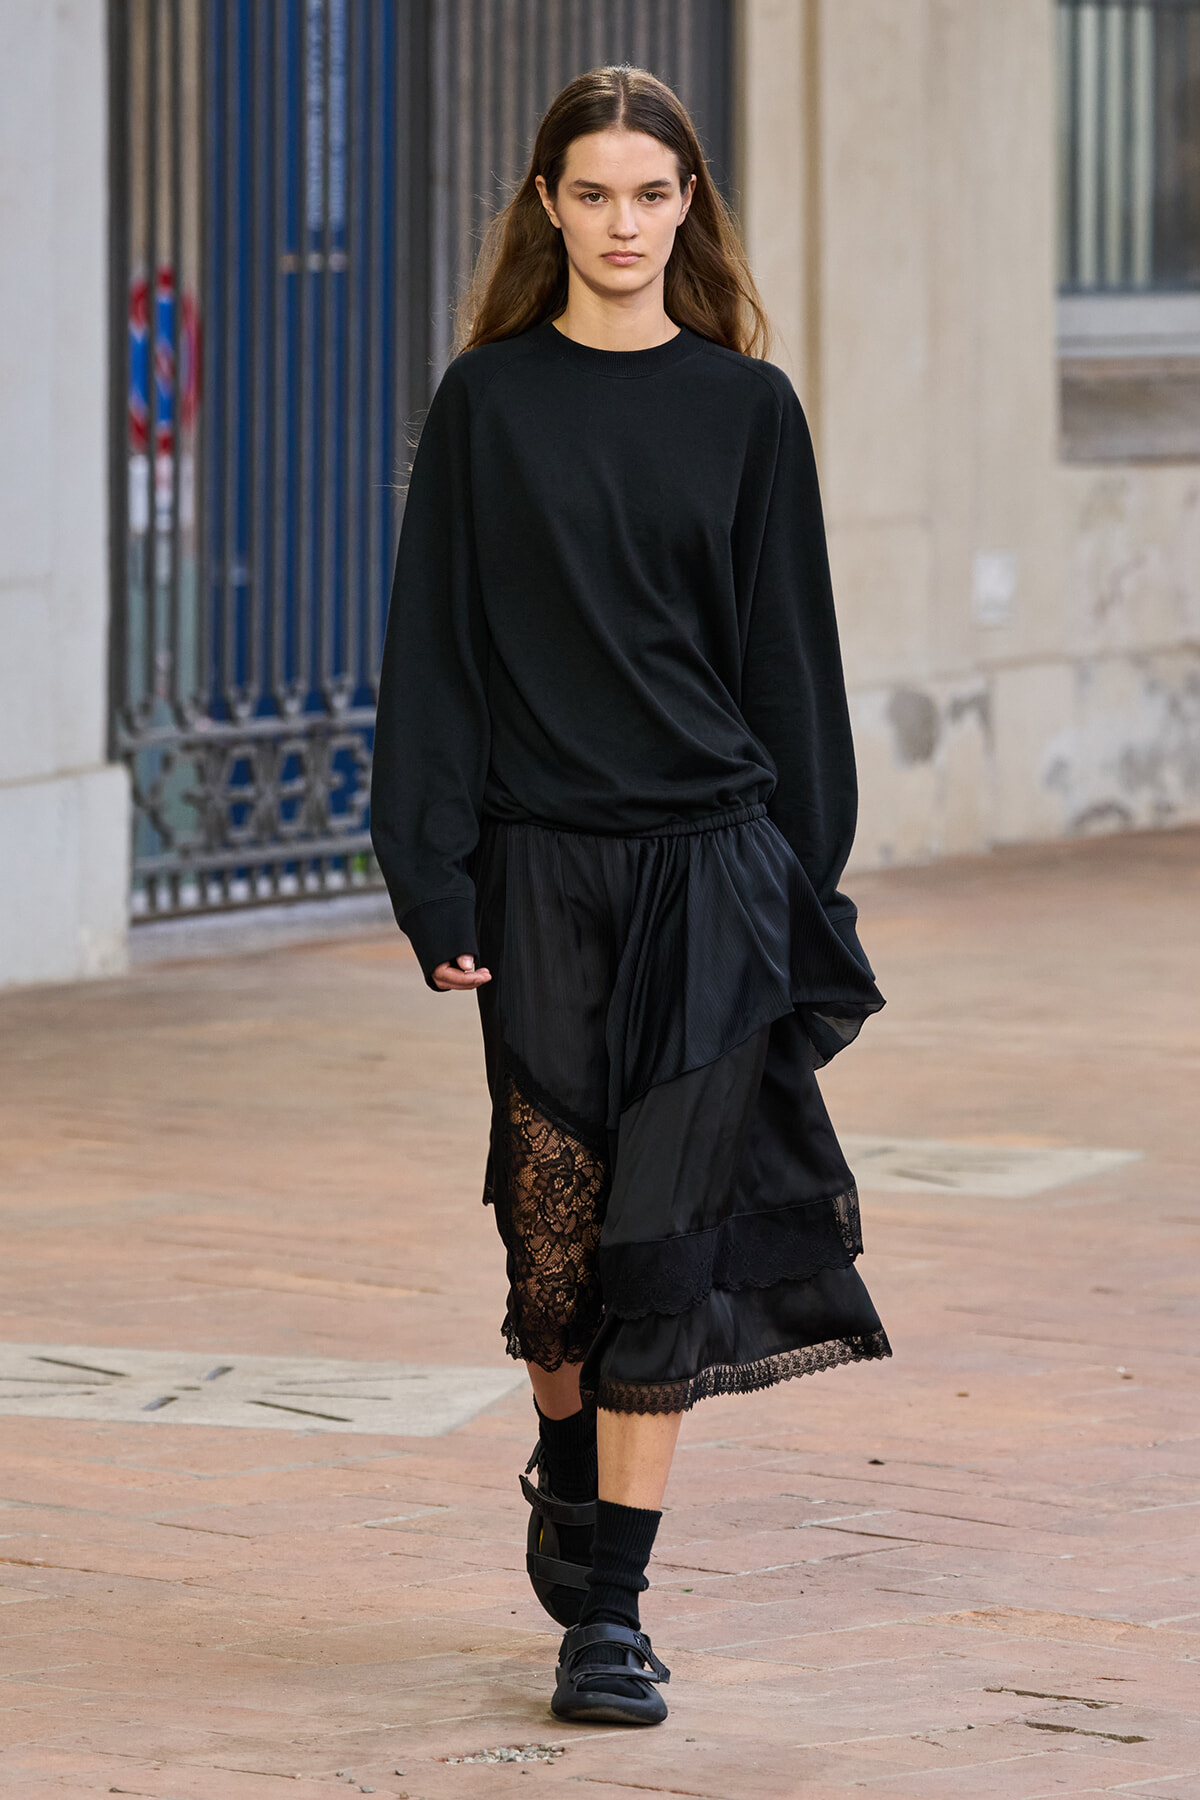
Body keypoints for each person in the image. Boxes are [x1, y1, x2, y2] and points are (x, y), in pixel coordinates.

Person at [370, 64, 889, 1729]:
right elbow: (434, 660)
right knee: (556, 1258)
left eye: (651, 195)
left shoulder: (749, 411)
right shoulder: (489, 404)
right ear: (549, 204)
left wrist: (803, 883)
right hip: (541, 871)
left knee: (663, 1243)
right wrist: (431, 877)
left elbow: (791, 667)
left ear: (688, 208)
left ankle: (611, 1614)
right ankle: (565, 1461)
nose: (622, 224)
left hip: (713, 871)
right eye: (592, 193)